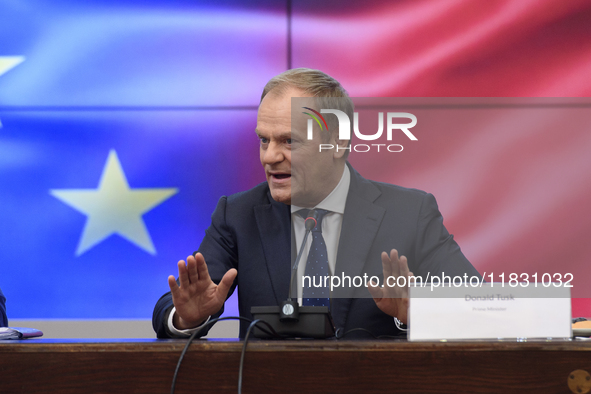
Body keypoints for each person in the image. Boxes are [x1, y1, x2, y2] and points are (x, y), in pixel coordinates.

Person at [153, 68, 480, 339]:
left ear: (336, 143)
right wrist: (187, 319)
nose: (269, 157)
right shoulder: (237, 215)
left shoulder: (410, 213)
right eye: (264, 140)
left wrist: (417, 314)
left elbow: (477, 308)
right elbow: (176, 305)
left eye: (288, 141)